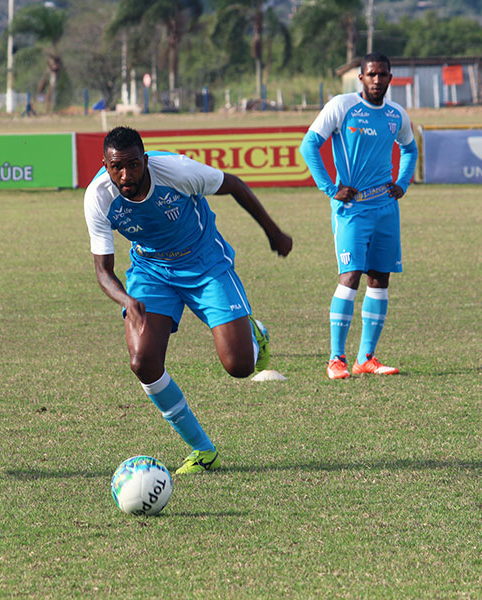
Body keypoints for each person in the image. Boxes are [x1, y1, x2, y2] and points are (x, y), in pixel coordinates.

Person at [84, 126, 292, 474]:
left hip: (204, 262)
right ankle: (202, 450)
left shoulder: (177, 171)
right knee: (143, 362)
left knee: (240, 366)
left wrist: (274, 233)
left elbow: (234, 185)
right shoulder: (98, 197)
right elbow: (103, 271)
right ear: (105, 165)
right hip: (151, 270)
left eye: (133, 165)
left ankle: (255, 334)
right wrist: (127, 300)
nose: (126, 175)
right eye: (116, 167)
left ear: (145, 161)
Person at [299, 52, 418, 380]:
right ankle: (335, 359)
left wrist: (402, 182)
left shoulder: (396, 114)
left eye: (383, 74)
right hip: (352, 210)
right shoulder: (342, 106)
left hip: (386, 208)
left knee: (379, 279)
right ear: (361, 77)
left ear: (390, 78)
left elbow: (410, 149)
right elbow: (309, 145)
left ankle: (366, 358)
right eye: (371, 74)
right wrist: (329, 187)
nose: (377, 80)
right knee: (350, 277)